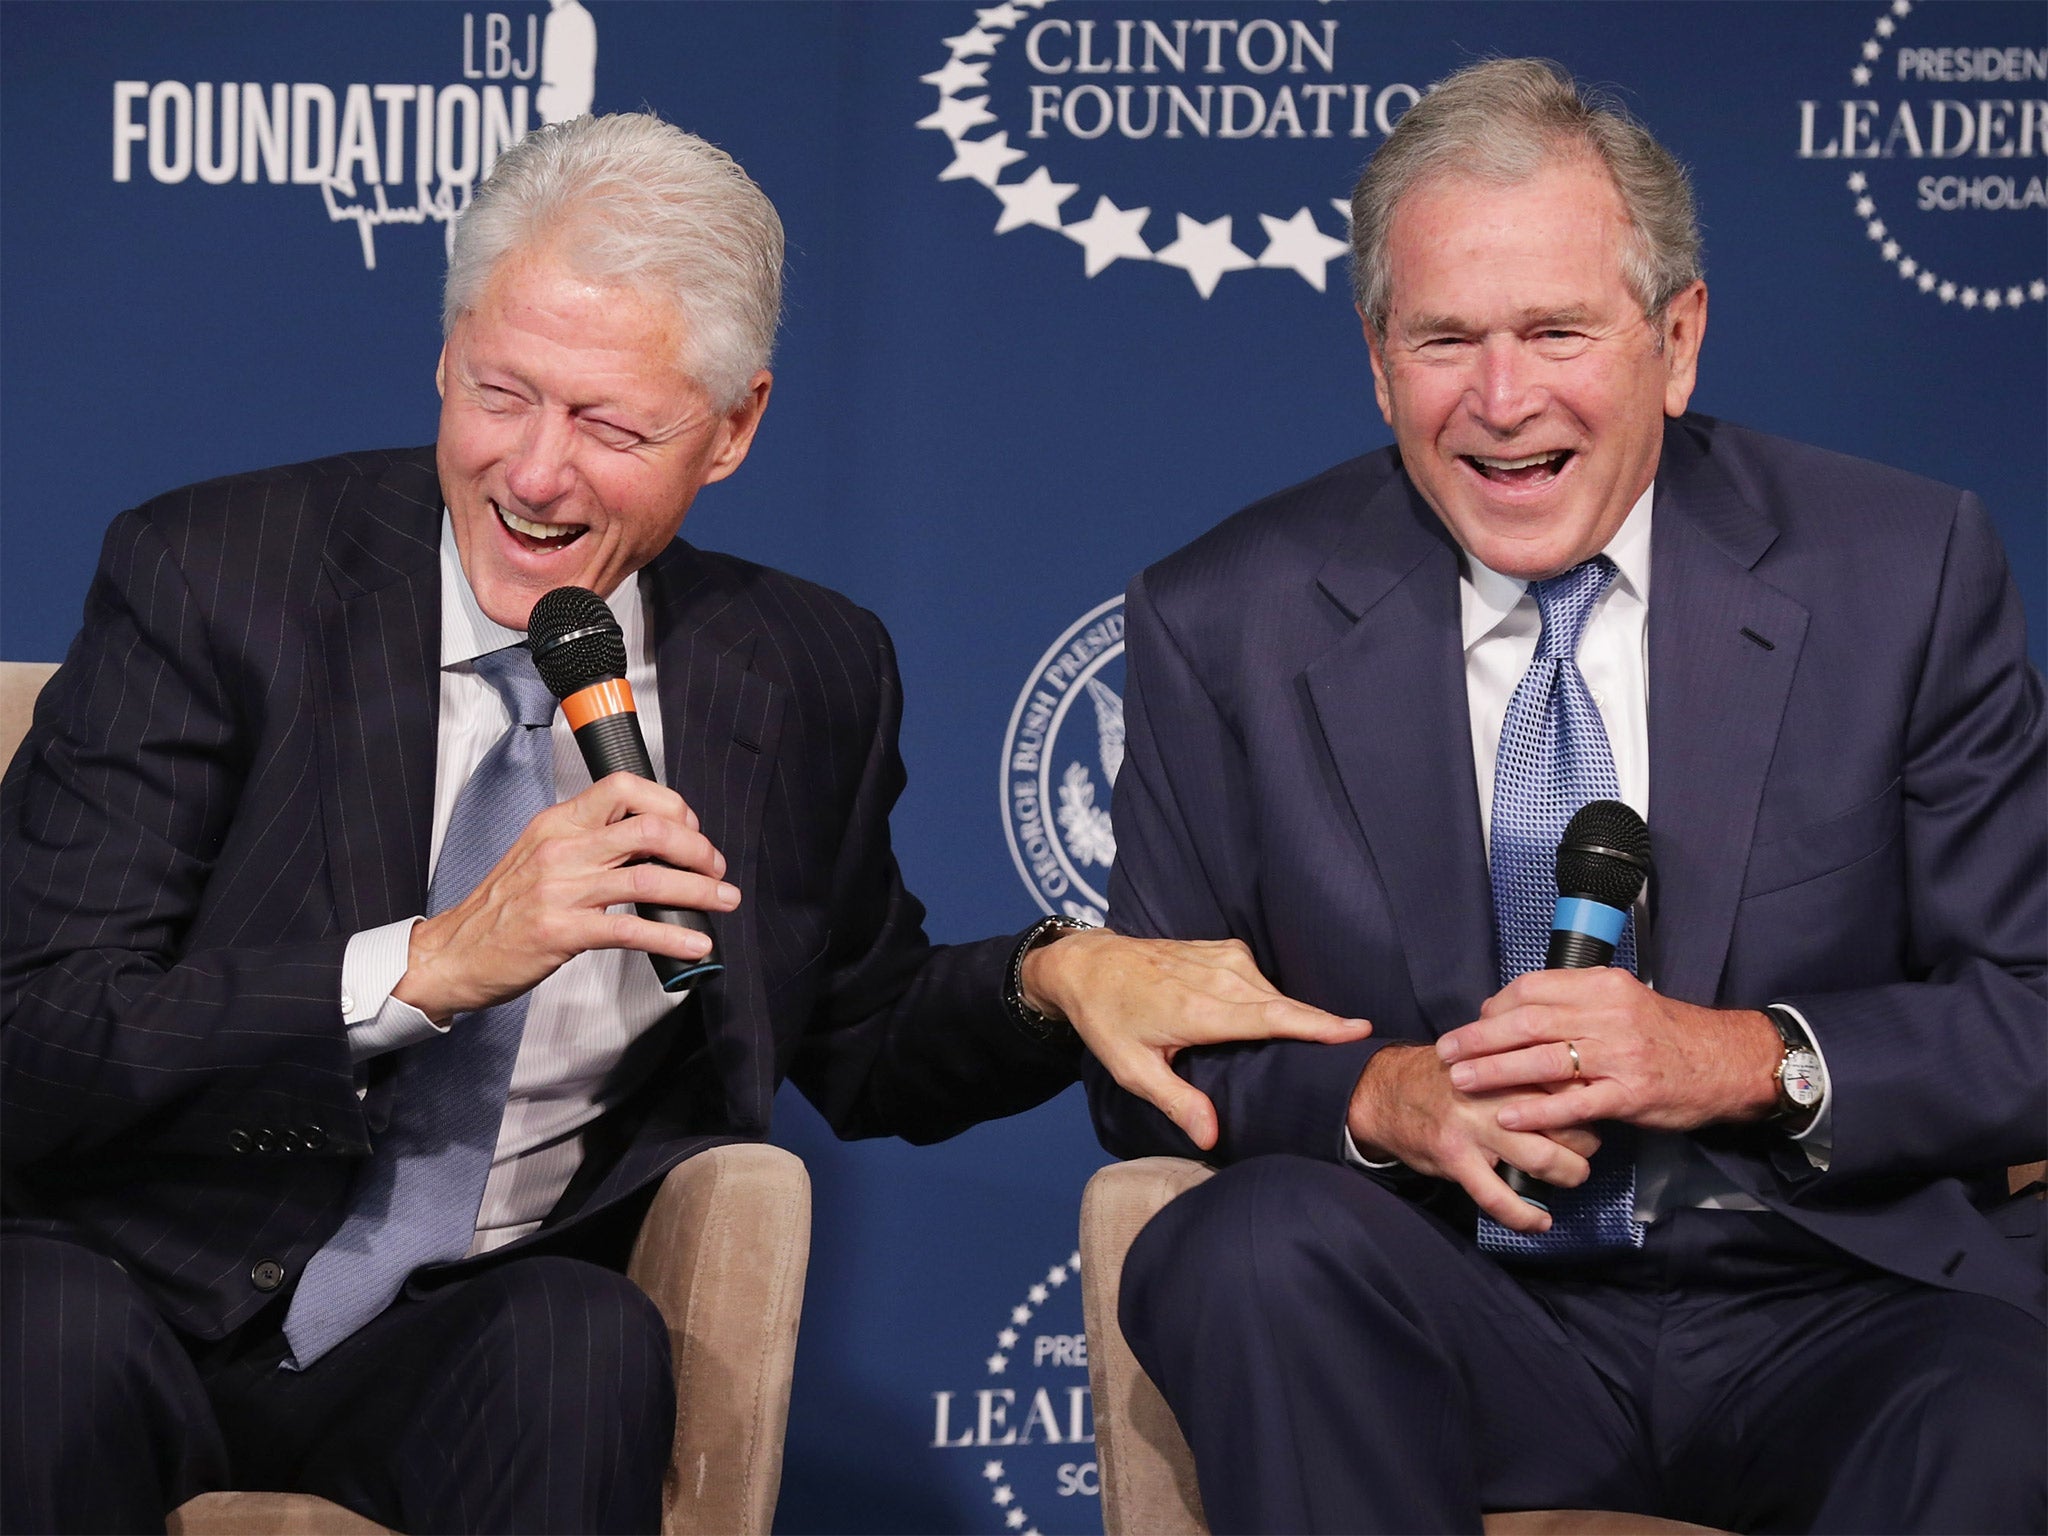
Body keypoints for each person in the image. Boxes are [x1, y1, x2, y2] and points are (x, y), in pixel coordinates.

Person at [0, 113, 1366, 1536]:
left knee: (580, 1348)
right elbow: (34, 1028)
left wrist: (1050, 974)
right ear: (445, 353)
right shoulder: (218, 580)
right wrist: (428, 965)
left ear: (732, 429)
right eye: (501, 392)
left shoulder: (799, 668)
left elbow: (859, 1026)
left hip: (449, 1328)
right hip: (130, 1286)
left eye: (610, 426)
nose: (534, 474)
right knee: (29, 1333)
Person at [1088, 58, 2045, 1535]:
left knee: (1999, 1405)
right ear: (1376, 357)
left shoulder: (1898, 571)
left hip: (1838, 1304)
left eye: (1555, 330)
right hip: (1469, 1309)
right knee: (1250, 1250)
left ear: (1675, 341)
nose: (1501, 398)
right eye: (1446, 338)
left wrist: (1739, 1058)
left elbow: (2029, 1012)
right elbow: (1152, 1052)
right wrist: (1378, 1095)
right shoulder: (1228, 619)